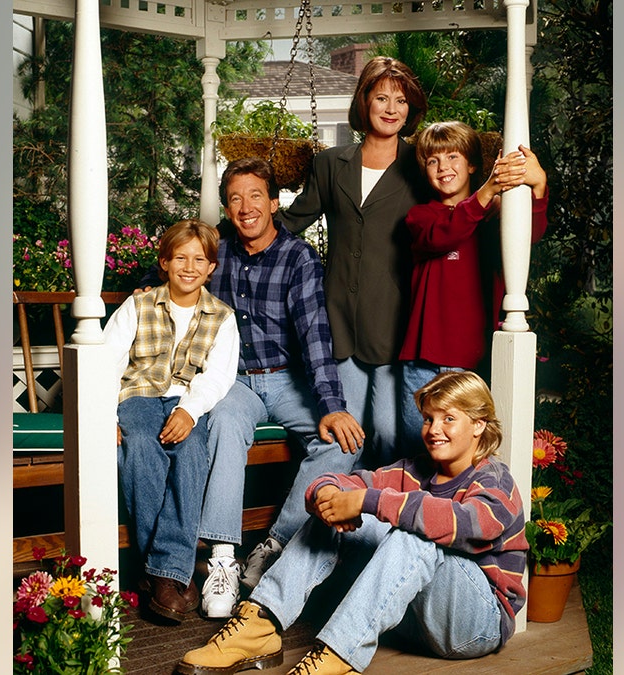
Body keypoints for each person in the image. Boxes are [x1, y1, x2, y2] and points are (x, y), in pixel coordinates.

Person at [177, 370, 528, 675]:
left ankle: (338, 654)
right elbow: (349, 482)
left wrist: (366, 501)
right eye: (428, 418)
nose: (434, 429)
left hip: (475, 625)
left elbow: (468, 525)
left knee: (417, 534)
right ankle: (260, 625)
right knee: (334, 513)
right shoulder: (415, 469)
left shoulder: (494, 478)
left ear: (479, 425)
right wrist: (330, 497)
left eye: (448, 418)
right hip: (413, 621)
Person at [196, 157, 367, 619]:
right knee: (224, 425)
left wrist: (331, 405)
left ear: (274, 203)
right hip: (236, 382)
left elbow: (315, 334)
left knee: (342, 441)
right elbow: (172, 276)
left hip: (289, 380)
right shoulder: (217, 253)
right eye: (235, 198)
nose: (246, 206)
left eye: (256, 196)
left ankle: (273, 545)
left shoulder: (298, 257)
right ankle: (224, 561)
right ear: (227, 209)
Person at [282, 56, 433, 468]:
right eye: (381, 97)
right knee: (346, 435)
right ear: (363, 102)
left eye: (400, 101)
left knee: (387, 433)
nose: (390, 108)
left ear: (411, 109)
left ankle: (379, 521)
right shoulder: (330, 164)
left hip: (395, 320)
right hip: (338, 318)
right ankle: (338, 524)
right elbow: (291, 221)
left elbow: (450, 219)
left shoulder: (422, 168)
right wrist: (209, 246)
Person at [102, 219, 239, 623]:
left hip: (185, 400)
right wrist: (105, 417)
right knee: (142, 449)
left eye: (199, 259)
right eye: (180, 257)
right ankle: (170, 574)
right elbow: (108, 363)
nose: (189, 266)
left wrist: (189, 411)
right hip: (138, 396)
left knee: (191, 453)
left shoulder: (221, 317)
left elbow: (217, 376)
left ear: (212, 267)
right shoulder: (138, 305)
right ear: (164, 262)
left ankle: (158, 576)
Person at [398, 121, 550, 447]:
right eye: (433, 161)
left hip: (470, 358)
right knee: (416, 447)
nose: (443, 168)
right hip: (421, 360)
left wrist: (538, 188)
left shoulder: (497, 216)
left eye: (453, 157)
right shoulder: (420, 216)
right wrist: (488, 191)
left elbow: (528, 237)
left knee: (463, 452)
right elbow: (445, 234)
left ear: (471, 165)